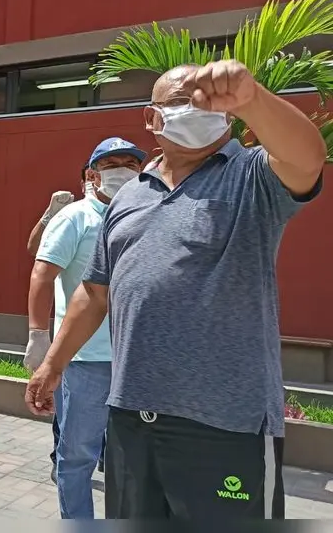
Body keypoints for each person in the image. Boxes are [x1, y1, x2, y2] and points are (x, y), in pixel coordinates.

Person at [26, 61, 325, 519]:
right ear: (152, 118)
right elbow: (94, 291)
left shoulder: (248, 175)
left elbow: (307, 159)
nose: (196, 109)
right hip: (130, 419)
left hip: (225, 424)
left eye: (207, 100)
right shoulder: (128, 196)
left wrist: (253, 98)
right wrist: (52, 363)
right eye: (181, 102)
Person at [27, 137, 145, 519]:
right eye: (114, 164)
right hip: (86, 361)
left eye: (131, 163)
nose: (124, 170)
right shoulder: (75, 216)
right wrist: (38, 338)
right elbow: (42, 275)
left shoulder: (145, 212)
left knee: (132, 461)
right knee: (77, 456)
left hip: (134, 360)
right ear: (93, 175)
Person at [25, 164, 95, 483]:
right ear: (83, 182)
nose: (99, 178)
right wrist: (48, 214)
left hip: (117, 336)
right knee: (67, 409)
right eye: (92, 174)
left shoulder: (128, 211)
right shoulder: (72, 216)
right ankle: (62, 458)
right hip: (72, 336)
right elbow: (34, 251)